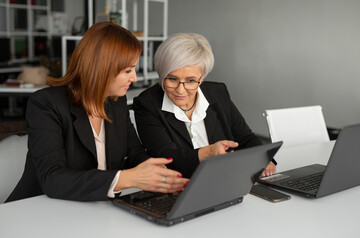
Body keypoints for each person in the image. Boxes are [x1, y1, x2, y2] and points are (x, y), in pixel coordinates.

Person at [6, 22, 188, 203]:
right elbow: (53, 179)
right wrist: (126, 179)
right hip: (36, 211)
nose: (134, 77)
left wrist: (160, 173)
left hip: (93, 209)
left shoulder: (117, 102)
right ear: (102, 68)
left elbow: (134, 153)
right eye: (127, 70)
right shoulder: (46, 104)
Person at [133, 33, 276, 179]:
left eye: (190, 80)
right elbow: (165, 158)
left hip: (226, 178)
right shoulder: (146, 103)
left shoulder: (218, 93)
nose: (180, 90)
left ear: (202, 78)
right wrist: (209, 153)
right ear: (161, 74)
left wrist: (264, 159)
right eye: (172, 79)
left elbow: (245, 138)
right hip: (179, 185)